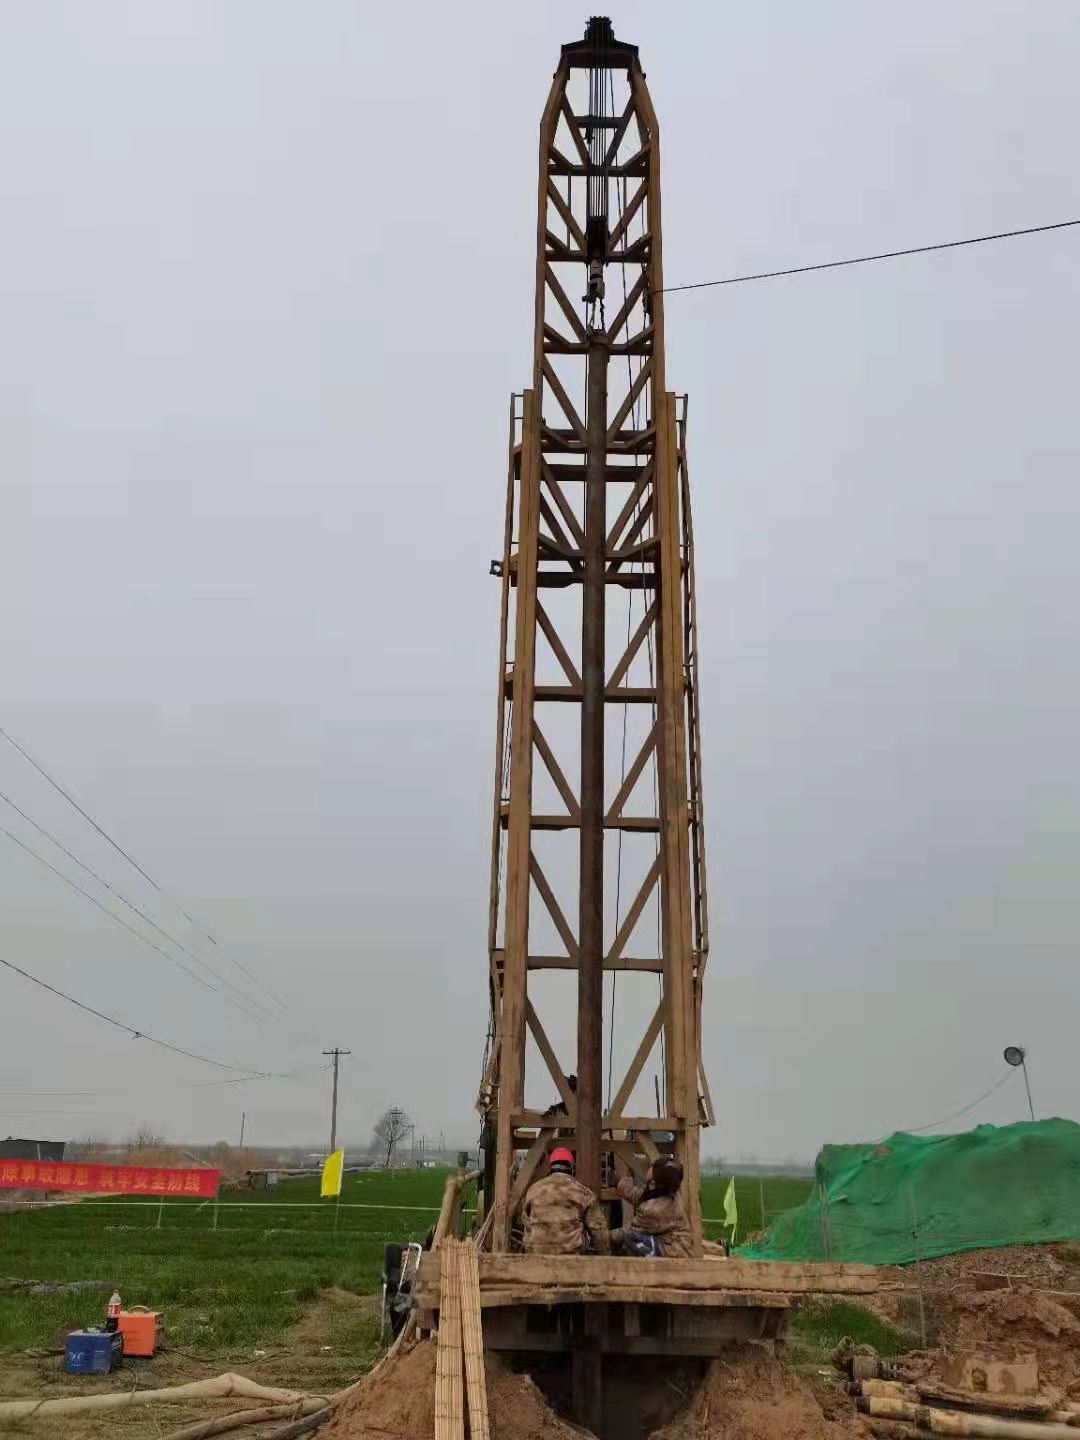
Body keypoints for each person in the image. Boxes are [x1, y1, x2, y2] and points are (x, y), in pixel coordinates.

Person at [520, 1147, 610, 1255]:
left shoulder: (533, 1190)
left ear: (550, 1168)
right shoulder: (583, 1192)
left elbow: (525, 1221)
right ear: (572, 1168)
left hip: (536, 1254)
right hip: (571, 1255)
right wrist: (603, 1255)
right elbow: (599, 1231)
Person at [611, 1156, 693, 1259]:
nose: (649, 1167)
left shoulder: (655, 1210)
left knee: (630, 1238)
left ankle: (653, 1262)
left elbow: (629, 1230)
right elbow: (640, 1196)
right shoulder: (667, 1192)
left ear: (654, 1182)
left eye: (653, 1167)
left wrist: (604, 1236)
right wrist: (619, 1183)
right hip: (671, 1241)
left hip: (673, 1251)